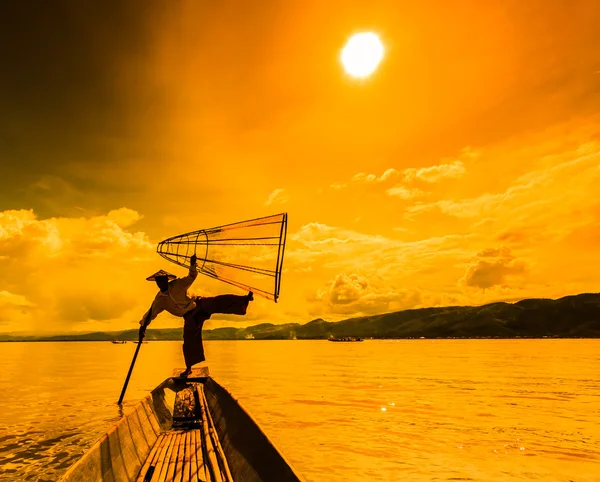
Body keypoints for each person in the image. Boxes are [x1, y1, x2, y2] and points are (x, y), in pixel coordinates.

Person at [139, 254, 253, 378]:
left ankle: (244, 301)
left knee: (216, 302)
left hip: (198, 303)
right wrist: (143, 327)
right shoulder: (159, 300)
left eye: (163, 280)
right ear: (157, 283)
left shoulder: (178, 284)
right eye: (158, 281)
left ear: (167, 279)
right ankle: (188, 369)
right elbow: (151, 313)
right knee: (188, 340)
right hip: (189, 316)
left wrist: (192, 265)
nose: (161, 283)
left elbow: (191, 276)